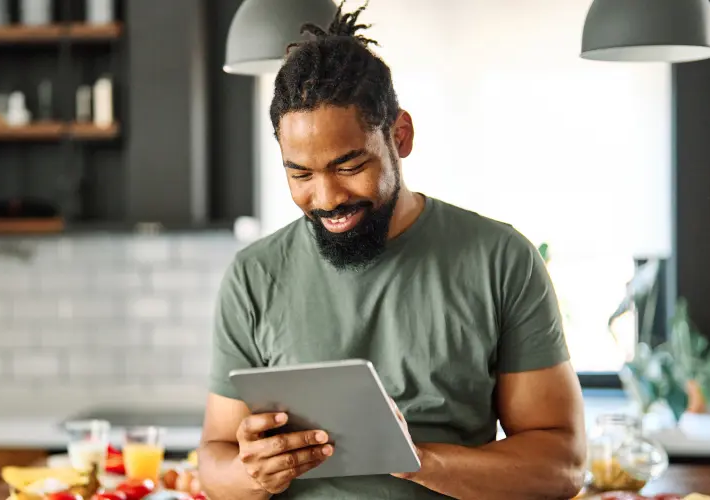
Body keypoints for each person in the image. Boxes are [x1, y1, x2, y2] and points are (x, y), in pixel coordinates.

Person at [198, 1, 586, 498]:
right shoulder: (254, 275)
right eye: (300, 174)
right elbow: (214, 461)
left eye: (349, 165)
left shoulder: (501, 258)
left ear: (399, 136)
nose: (327, 197)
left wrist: (418, 461)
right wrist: (253, 471)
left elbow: (562, 466)